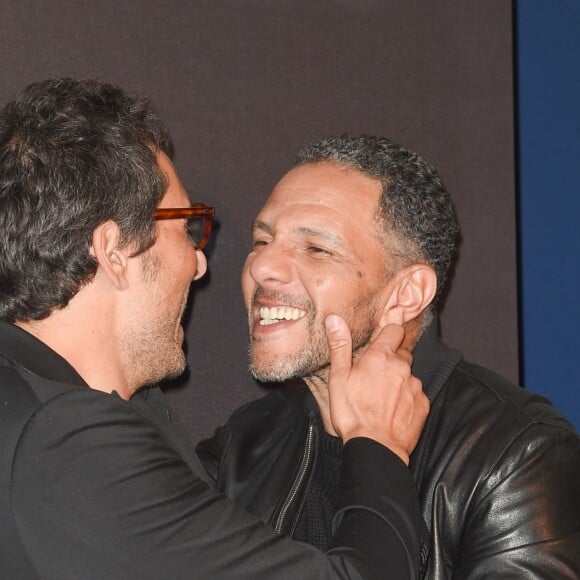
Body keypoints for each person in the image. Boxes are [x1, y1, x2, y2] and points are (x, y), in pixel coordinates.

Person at [0, 80, 430, 579]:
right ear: (113, 251)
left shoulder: (67, 408)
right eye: (186, 227)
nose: (199, 264)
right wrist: (377, 443)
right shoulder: (69, 441)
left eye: (316, 248)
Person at [197, 135, 580, 578]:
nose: (261, 267)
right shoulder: (243, 445)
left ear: (407, 294)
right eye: (262, 241)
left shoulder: (516, 455)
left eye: (317, 249)